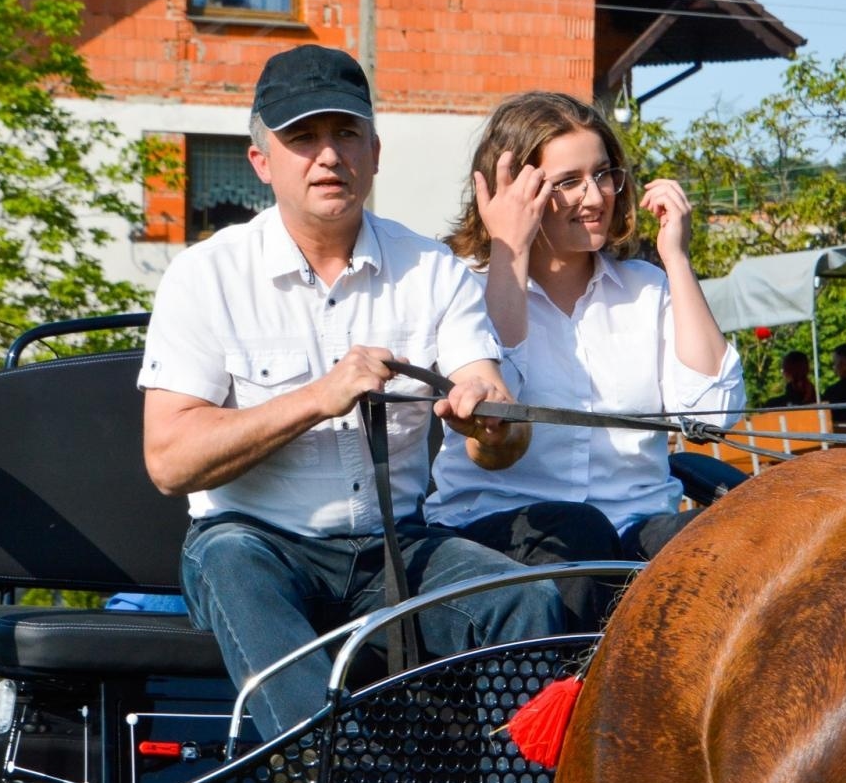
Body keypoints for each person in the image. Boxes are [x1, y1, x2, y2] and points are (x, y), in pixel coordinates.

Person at [138, 45, 563, 740]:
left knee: (527, 601)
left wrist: (489, 417)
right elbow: (168, 460)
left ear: (375, 151)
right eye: (302, 137)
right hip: (257, 545)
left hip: (395, 547)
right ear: (262, 162)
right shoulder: (203, 276)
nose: (327, 155)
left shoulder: (433, 270)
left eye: (345, 134)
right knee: (229, 559)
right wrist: (317, 397)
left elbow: (496, 423)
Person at [427, 91, 745, 593]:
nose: (595, 197)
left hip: (634, 531)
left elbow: (711, 414)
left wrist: (676, 259)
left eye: (603, 174)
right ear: (515, 190)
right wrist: (510, 249)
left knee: (740, 546)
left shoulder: (648, 289)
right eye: (569, 182)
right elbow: (494, 405)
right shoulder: (460, 286)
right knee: (580, 536)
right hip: (507, 533)